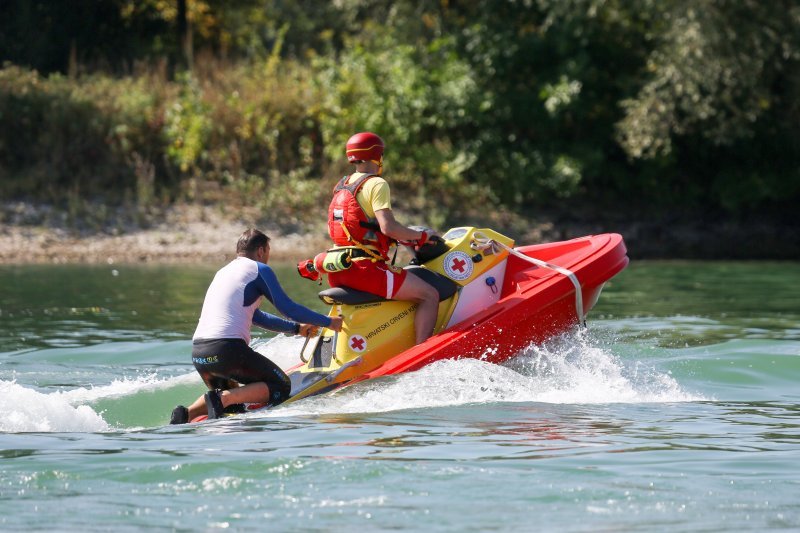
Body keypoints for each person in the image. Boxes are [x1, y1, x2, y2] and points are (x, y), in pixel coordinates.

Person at [170, 228, 343, 424]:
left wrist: (297, 329)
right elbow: (288, 308)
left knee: (234, 407)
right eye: (268, 251)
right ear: (261, 251)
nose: (268, 257)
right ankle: (222, 398)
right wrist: (329, 322)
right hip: (226, 350)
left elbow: (257, 317)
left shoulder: (223, 272)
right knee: (281, 386)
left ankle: (187, 413)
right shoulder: (259, 270)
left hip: (200, 355)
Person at [325, 131, 439, 345]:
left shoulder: (342, 185)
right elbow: (389, 227)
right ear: (377, 154)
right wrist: (421, 236)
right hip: (365, 271)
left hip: (339, 269)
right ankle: (422, 352)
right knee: (429, 295)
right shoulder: (376, 184)